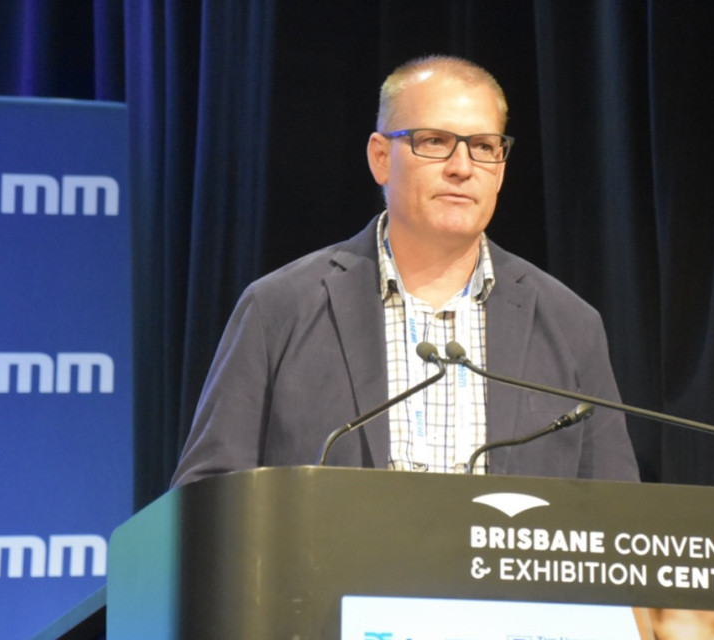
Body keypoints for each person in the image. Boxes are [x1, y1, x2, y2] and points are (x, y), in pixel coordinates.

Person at [170, 55, 639, 487]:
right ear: (380, 158)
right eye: (435, 142)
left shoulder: (569, 324)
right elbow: (209, 495)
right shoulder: (280, 307)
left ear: (500, 167)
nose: (462, 167)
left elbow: (618, 515)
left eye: (482, 146)